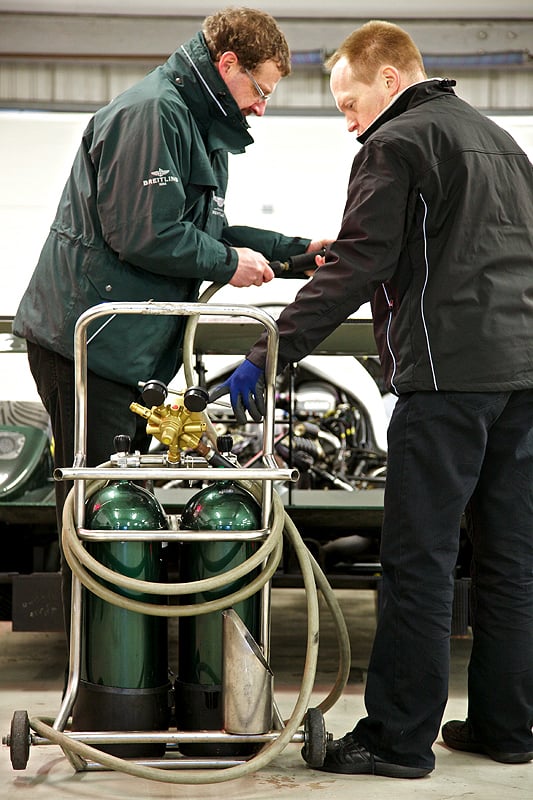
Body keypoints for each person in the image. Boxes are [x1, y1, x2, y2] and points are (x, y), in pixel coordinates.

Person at [210, 20, 533, 778]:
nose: (344, 116)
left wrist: (270, 356)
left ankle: (395, 741)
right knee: (511, 563)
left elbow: (357, 266)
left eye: (347, 99)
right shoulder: (497, 140)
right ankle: (507, 728)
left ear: (388, 81)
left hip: (447, 379)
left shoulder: (395, 143)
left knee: (418, 563)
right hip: (521, 380)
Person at [13, 6, 331, 637]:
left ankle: (132, 660)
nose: (262, 107)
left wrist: (294, 252)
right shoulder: (152, 113)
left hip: (123, 350)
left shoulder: (193, 120)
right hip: (89, 349)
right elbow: (146, 233)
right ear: (227, 64)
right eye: (260, 90)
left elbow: (202, 230)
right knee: (99, 518)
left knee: (119, 507)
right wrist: (227, 262)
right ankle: (105, 674)